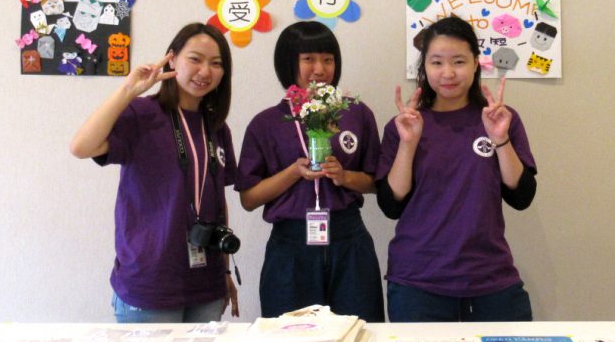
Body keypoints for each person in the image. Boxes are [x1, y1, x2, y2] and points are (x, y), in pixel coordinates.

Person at [70, 23, 239, 323]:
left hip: (206, 285)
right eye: (195, 59)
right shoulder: (141, 114)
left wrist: (225, 270)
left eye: (216, 64)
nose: (205, 71)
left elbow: (217, 200)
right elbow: (81, 147)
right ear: (172, 59)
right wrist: (128, 90)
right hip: (150, 283)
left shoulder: (216, 126)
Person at [377, 16, 537, 322]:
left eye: (459, 61)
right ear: (424, 67)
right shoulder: (405, 125)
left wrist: (500, 139)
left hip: (490, 278)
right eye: (437, 62)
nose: (448, 73)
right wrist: (408, 144)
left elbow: (522, 197)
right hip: (417, 282)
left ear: (476, 63)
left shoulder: (500, 119)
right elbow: (390, 205)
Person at [235, 21, 385, 321]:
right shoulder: (266, 123)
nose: (320, 69)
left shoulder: (356, 114)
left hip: (349, 240)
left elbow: (376, 182)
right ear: (289, 63)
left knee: (361, 331)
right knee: (290, 339)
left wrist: (345, 177)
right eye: (309, 59)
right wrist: (292, 173)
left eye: (328, 59)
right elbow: (249, 199)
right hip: (290, 247)